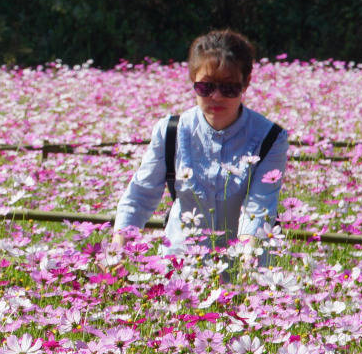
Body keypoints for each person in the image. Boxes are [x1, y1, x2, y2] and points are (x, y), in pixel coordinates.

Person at [113, 29, 288, 261]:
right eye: (205, 87)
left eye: (228, 88)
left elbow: (258, 209)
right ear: (192, 80)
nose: (216, 97)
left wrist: (247, 270)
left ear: (246, 84)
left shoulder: (270, 137)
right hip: (179, 262)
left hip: (242, 262)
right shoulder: (171, 131)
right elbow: (139, 197)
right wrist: (117, 254)